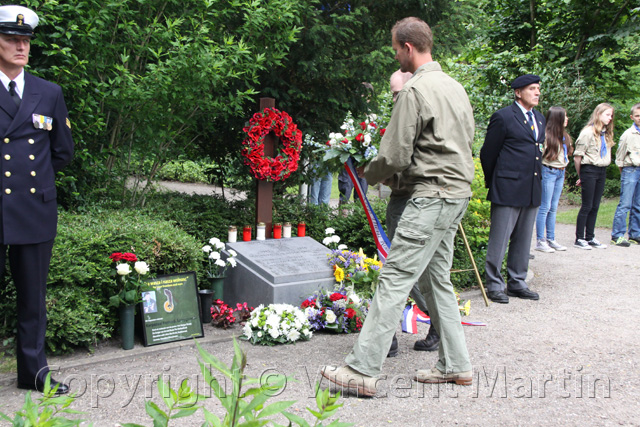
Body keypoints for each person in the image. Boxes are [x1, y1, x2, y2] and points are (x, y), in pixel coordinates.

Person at [321, 17, 475, 396]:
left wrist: (367, 172)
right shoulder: (456, 88)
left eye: (395, 49)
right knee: (435, 279)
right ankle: (455, 365)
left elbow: (394, 154)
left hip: (430, 197)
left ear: (408, 47)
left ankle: (362, 370)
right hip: (456, 195)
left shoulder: (415, 90)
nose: (396, 56)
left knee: (395, 277)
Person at [0, 6, 74, 394]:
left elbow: (62, 151)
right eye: (12, 39)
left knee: (33, 299)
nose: (20, 46)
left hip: (33, 208)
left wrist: (37, 181)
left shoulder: (48, 92)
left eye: (25, 40)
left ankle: (33, 373)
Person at [386, 69, 439, 357]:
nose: (395, 99)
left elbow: (407, 163)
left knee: (405, 270)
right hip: (402, 199)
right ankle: (438, 323)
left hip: (415, 200)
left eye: (397, 93)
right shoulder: (405, 111)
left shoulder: (417, 112)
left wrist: (376, 171)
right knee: (404, 268)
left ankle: (388, 335)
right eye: (393, 94)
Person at [480, 74, 544, 304]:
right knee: (500, 238)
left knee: (523, 239)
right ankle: (494, 284)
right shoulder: (504, 117)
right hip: (507, 186)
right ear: (518, 92)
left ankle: (517, 282)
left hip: (530, 187)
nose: (537, 92)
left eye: (538, 89)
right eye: (532, 89)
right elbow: (488, 153)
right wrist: (494, 181)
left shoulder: (539, 118)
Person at [573, 103, 614, 250]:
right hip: (589, 169)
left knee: (595, 206)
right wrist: (581, 175)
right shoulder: (587, 132)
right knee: (587, 205)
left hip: (601, 170)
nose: (610, 118)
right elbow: (578, 157)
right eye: (607, 115)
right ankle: (579, 238)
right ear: (598, 114)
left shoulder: (606, 133)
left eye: (611, 115)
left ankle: (590, 236)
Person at [535, 107, 573, 253]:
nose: (567, 119)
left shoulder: (564, 136)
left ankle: (551, 238)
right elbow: (540, 156)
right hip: (549, 172)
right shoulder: (546, 136)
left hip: (560, 172)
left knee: (554, 207)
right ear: (557, 119)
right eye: (565, 116)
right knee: (545, 206)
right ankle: (540, 240)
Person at [610, 103, 640, 246]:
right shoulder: (628, 134)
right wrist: (623, 172)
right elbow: (620, 157)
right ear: (632, 117)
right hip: (630, 170)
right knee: (625, 203)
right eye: (637, 115)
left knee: (638, 204)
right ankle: (617, 235)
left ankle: (635, 234)